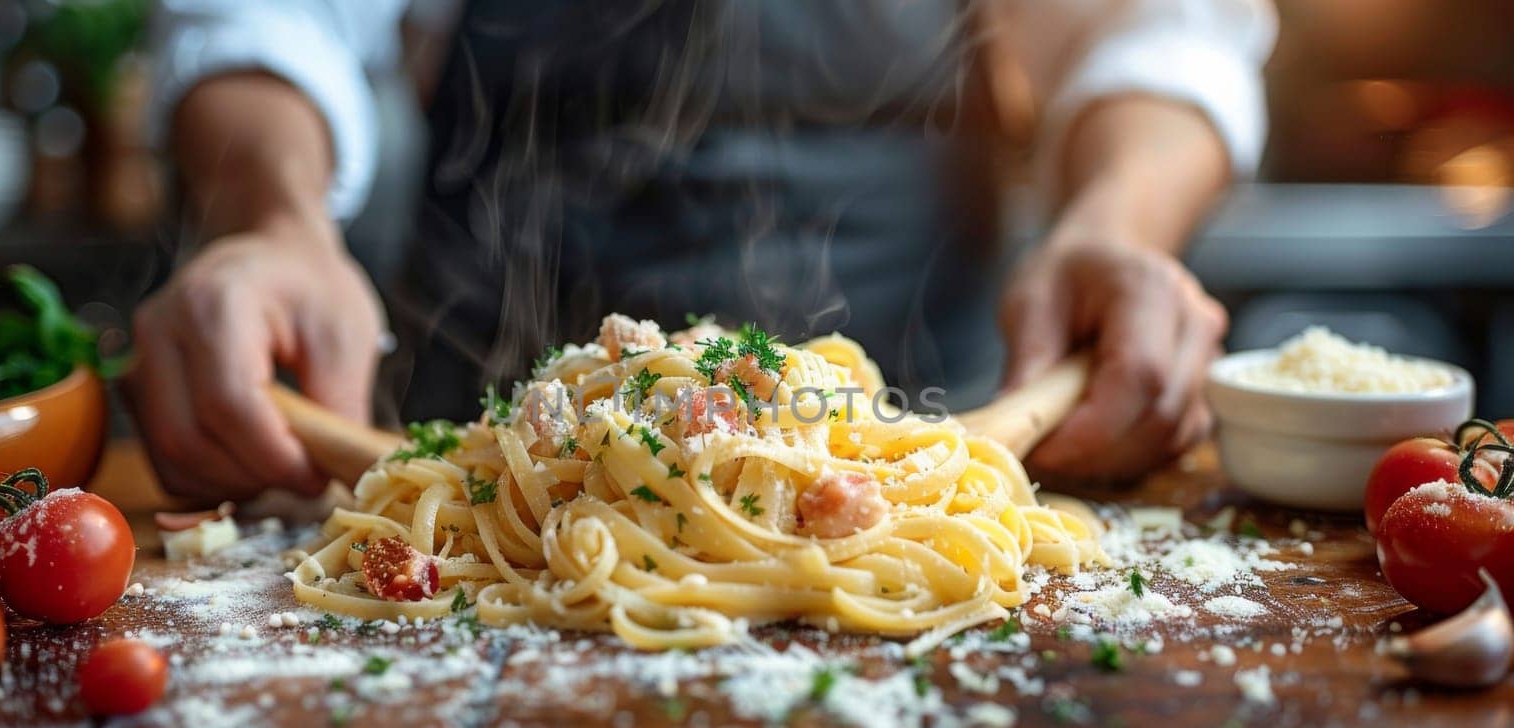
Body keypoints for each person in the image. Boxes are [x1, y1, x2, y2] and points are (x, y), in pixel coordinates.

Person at [129, 0, 1277, 500]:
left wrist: (1113, 222)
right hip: (501, 468)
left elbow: (1160, 24)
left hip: (933, 444)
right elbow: (268, 14)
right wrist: (271, 215)